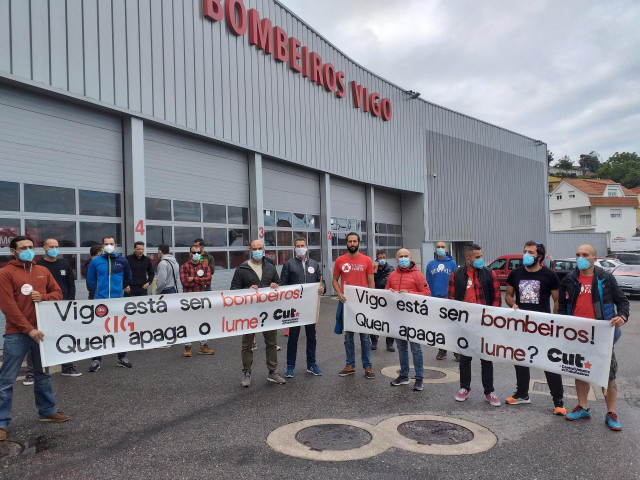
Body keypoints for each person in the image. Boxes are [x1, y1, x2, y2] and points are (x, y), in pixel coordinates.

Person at [0, 236, 69, 442]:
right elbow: (8, 306)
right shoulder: (5, 273)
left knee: (43, 374)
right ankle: (1, 422)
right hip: (17, 334)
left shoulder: (43, 270)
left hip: (42, 333)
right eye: (23, 248)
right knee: (6, 380)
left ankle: (47, 411)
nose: (28, 250)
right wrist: (28, 329)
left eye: (30, 247)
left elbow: (58, 293)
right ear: (13, 251)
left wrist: (44, 297)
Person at [559, 244, 629, 430]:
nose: (580, 258)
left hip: (602, 336)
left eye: (585, 255)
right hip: (578, 337)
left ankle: (611, 412)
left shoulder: (605, 278)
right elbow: (563, 307)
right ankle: (583, 407)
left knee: (608, 375)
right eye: (577, 254)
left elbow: (622, 301)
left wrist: (622, 316)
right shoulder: (569, 279)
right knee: (580, 372)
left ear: (594, 258)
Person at [504, 241, 565, 415]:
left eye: (530, 252)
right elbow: (508, 295)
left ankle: (558, 401)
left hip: (543, 327)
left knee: (549, 362)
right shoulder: (515, 274)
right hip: (522, 326)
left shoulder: (550, 275)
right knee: (521, 359)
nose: (526, 254)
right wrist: (513, 304)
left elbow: (557, 300)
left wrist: (553, 322)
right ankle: (522, 394)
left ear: (539, 256)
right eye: (524, 251)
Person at [448, 243, 502, 406]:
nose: (481, 259)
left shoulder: (489, 274)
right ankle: (464, 388)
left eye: (481, 256)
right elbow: (450, 300)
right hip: (464, 324)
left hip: (484, 324)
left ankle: (489, 391)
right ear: (468, 258)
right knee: (465, 357)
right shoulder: (456, 274)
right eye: (477, 257)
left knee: (486, 358)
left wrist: (491, 319)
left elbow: (497, 298)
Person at [231, 239, 285, 387]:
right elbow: (234, 291)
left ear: (264, 249)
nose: (257, 251)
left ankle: (272, 371)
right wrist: (246, 291)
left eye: (259, 248)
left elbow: (279, 284)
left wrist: (276, 285)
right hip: (249, 313)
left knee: (271, 343)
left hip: (268, 312)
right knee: (247, 344)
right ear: (250, 250)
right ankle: (247, 372)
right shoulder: (242, 269)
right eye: (254, 248)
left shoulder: (270, 267)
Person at [32, 237, 81, 378]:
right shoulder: (38, 266)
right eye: (51, 246)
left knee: (66, 336)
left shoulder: (64, 265)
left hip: (63, 308)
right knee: (39, 338)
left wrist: (70, 302)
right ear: (44, 248)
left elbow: (71, 285)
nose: (54, 249)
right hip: (44, 307)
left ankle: (68, 367)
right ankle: (32, 372)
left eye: (56, 246)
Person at [86, 236, 133, 372]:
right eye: (106, 244)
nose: (109, 245)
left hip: (118, 301)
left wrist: (119, 289)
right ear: (102, 246)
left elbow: (128, 277)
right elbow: (91, 280)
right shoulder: (96, 262)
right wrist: (99, 292)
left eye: (111, 243)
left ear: (115, 244)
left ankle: (121, 358)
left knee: (119, 329)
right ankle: (96, 359)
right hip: (100, 301)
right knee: (98, 330)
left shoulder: (122, 261)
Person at [386, 249, 431, 391]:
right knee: (401, 348)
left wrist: (409, 294)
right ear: (396, 258)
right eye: (401, 256)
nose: (403, 259)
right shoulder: (392, 275)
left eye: (406, 256)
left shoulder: (418, 275)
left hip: (414, 319)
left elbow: (427, 294)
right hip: (398, 318)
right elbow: (385, 293)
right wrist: (389, 293)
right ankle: (404, 375)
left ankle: (419, 378)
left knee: (416, 349)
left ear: (410, 258)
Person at [332, 232, 376, 379]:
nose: (352, 244)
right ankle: (350, 365)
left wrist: (371, 300)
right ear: (346, 243)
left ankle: (368, 366)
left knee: (365, 337)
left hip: (362, 303)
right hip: (346, 304)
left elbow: (371, 282)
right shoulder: (340, 260)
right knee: (348, 337)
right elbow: (334, 280)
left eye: (354, 241)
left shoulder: (367, 260)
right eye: (350, 241)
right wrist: (339, 292)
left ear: (359, 243)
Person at [282, 237, 324, 378]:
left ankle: (311, 364)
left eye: (302, 245)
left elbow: (320, 280)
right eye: (298, 245)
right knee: (293, 338)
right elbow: (283, 285)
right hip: (295, 308)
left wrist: (322, 288)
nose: (300, 247)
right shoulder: (288, 264)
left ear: (307, 247)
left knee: (311, 337)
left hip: (311, 307)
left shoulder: (314, 264)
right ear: (294, 249)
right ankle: (290, 366)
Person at [180, 245, 214, 357]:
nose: (196, 255)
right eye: (194, 252)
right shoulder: (184, 267)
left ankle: (203, 345)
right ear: (190, 253)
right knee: (188, 322)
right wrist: (200, 281)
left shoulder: (205, 267)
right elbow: (185, 282)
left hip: (201, 299)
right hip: (188, 300)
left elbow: (208, 280)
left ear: (201, 253)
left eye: (198, 252)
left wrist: (194, 278)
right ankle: (188, 346)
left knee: (203, 321)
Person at [426, 241, 458, 361]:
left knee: (452, 326)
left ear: (446, 249)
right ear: (435, 249)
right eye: (438, 247)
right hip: (436, 301)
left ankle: (456, 351)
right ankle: (442, 350)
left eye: (442, 247)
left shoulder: (452, 264)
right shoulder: (431, 264)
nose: (440, 249)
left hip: (450, 300)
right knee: (439, 328)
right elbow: (427, 282)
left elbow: (457, 281)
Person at [371, 249, 395, 352]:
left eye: (383, 258)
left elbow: (384, 282)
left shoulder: (391, 269)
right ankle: (374, 341)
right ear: (376, 258)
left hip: (387, 299)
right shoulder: (373, 269)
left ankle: (389, 344)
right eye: (379, 258)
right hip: (375, 298)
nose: (381, 260)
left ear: (386, 258)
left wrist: (376, 282)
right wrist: (375, 271)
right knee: (373, 320)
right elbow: (370, 281)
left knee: (389, 320)